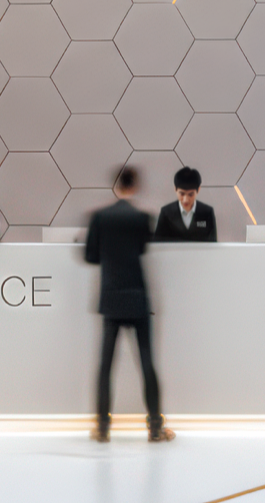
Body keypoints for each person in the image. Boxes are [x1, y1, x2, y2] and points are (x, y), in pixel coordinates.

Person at [83, 165, 170, 443]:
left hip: (111, 296)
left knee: (106, 365)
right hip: (137, 296)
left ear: (115, 185)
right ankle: (155, 428)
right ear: (135, 186)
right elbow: (143, 249)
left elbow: (90, 256)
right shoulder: (143, 218)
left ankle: (102, 428)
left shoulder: (99, 217)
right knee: (146, 362)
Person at [155, 166, 218, 242]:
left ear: (198, 190)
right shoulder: (166, 212)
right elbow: (158, 243)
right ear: (175, 189)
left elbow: (212, 243)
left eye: (191, 195)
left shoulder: (207, 212)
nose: (186, 200)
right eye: (182, 194)